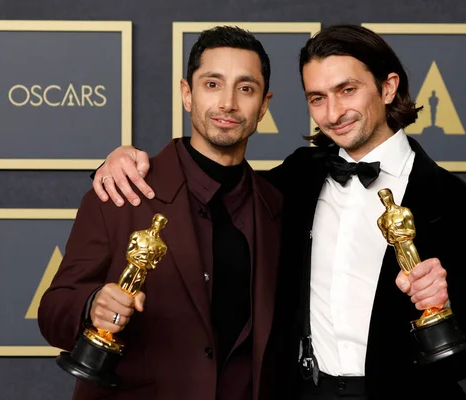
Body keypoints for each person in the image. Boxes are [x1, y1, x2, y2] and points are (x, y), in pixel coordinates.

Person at [92, 25, 466, 400]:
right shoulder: (299, 176)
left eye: (348, 90)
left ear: (388, 88)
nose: (333, 114)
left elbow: (464, 360)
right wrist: (122, 159)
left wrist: (443, 304)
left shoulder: (458, 206)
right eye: (317, 98)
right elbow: (216, 177)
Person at [38, 26, 283, 400]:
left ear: (263, 106)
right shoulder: (121, 189)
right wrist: (92, 306)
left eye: (245, 88)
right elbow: (53, 311)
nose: (228, 103)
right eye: (212, 84)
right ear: (187, 94)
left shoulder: (277, 204)